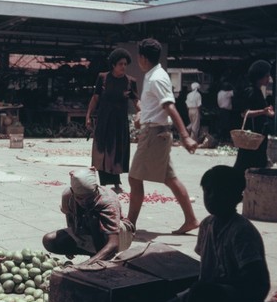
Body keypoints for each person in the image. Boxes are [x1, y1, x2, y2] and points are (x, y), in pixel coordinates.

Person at [144, 166, 270, 302]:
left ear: (237, 197)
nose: (212, 197)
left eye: (220, 193)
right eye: (208, 191)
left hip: (243, 294)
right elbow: (207, 267)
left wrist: (211, 287)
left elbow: (256, 281)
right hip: (214, 290)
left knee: (201, 292)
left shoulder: (241, 231)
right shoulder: (207, 225)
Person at [127, 38, 199, 234]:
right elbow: (158, 106)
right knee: (170, 178)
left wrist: (185, 136)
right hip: (154, 131)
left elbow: (169, 106)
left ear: (142, 57)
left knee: (134, 178)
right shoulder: (154, 75)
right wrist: (143, 116)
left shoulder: (156, 77)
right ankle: (191, 219)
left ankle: (129, 224)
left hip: (154, 134)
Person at [42, 167, 135, 266]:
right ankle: (96, 255)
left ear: (96, 190)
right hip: (88, 231)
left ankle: (101, 257)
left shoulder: (108, 201)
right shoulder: (68, 196)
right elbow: (70, 217)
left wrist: (83, 266)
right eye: (80, 198)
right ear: (73, 192)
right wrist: (71, 242)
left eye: (90, 197)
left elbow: (113, 244)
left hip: (118, 235)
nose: (85, 201)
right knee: (49, 240)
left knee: (93, 217)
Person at [86, 48, 140, 192]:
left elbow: (136, 102)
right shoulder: (103, 78)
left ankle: (117, 183)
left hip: (119, 124)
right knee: (102, 151)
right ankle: (103, 183)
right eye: (120, 64)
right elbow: (95, 98)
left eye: (125, 64)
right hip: (104, 121)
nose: (123, 67)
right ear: (113, 65)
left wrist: (144, 114)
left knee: (116, 152)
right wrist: (88, 116)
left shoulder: (130, 82)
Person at [233, 60, 275, 173]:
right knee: (247, 164)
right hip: (251, 136)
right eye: (266, 76)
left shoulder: (258, 91)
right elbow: (245, 113)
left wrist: (267, 113)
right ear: (259, 77)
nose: (269, 79)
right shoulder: (251, 91)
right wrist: (263, 111)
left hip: (258, 135)